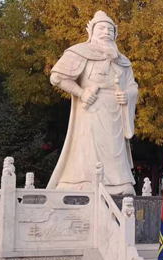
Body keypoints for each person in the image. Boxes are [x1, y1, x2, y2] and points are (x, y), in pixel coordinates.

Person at [48, 11, 138, 195]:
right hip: (91, 109)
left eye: (110, 30)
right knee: (88, 147)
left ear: (115, 34)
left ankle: (119, 183)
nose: (106, 32)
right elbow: (57, 77)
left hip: (115, 112)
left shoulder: (123, 62)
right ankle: (81, 181)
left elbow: (132, 86)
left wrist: (127, 95)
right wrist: (81, 92)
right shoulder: (80, 52)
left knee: (115, 150)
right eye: (101, 28)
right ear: (91, 31)